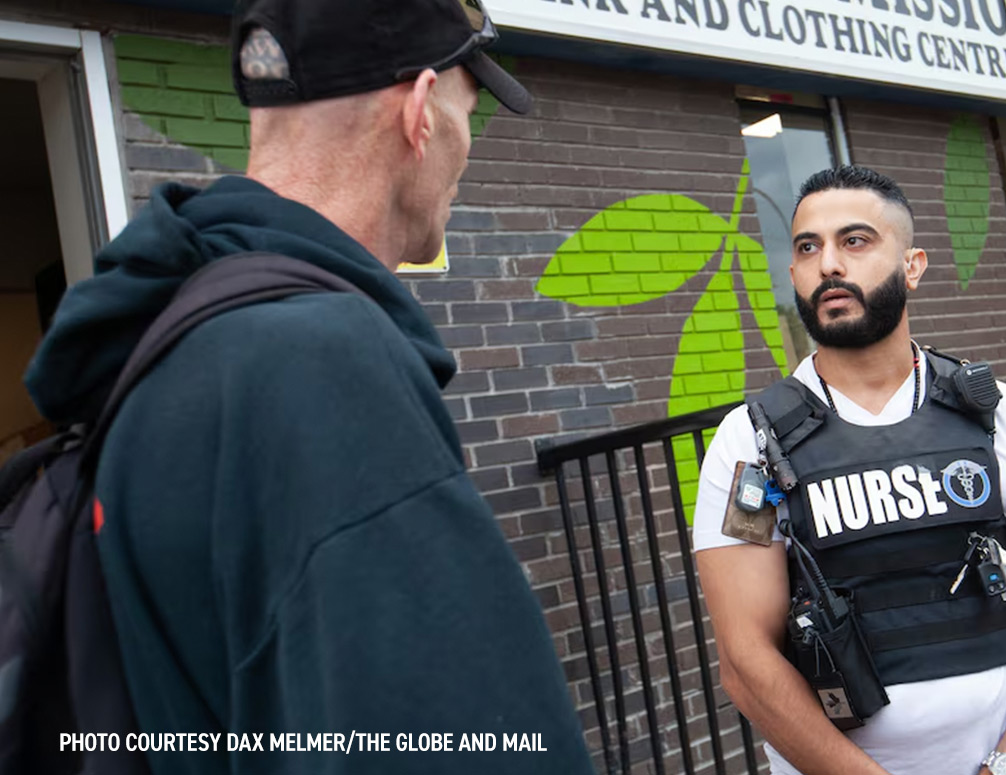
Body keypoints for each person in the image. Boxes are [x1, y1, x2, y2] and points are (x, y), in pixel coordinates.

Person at [22, 1, 593, 773]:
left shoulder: (172, 350)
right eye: (469, 107)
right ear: (420, 113)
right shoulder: (320, 373)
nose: (468, 144)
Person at [691, 165, 1006, 775]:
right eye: (809, 247)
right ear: (794, 276)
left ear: (912, 265)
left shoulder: (1002, 416)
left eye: (855, 241)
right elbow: (746, 661)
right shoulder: (750, 444)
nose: (829, 264)